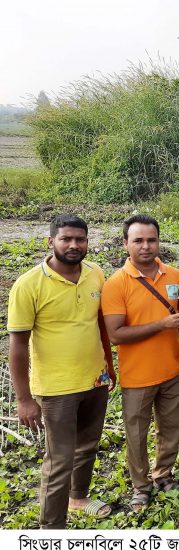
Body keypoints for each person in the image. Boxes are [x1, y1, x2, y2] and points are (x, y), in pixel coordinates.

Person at [8, 214, 115, 528]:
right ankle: (51, 530)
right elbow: (17, 346)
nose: (73, 245)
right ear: (50, 241)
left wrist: (109, 366)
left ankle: (78, 498)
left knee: (88, 445)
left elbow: (100, 325)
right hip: (56, 389)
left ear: (87, 242)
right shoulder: (28, 285)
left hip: (95, 379)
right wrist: (24, 399)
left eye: (79, 239)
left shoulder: (96, 273)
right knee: (59, 462)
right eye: (66, 238)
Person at [101, 215, 179, 511]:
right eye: (138, 241)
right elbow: (116, 335)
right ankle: (140, 486)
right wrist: (162, 324)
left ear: (159, 241)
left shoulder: (176, 276)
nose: (145, 246)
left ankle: (163, 475)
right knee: (136, 435)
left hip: (172, 369)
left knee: (171, 429)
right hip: (137, 376)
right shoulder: (116, 284)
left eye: (151, 240)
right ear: (126, 243)